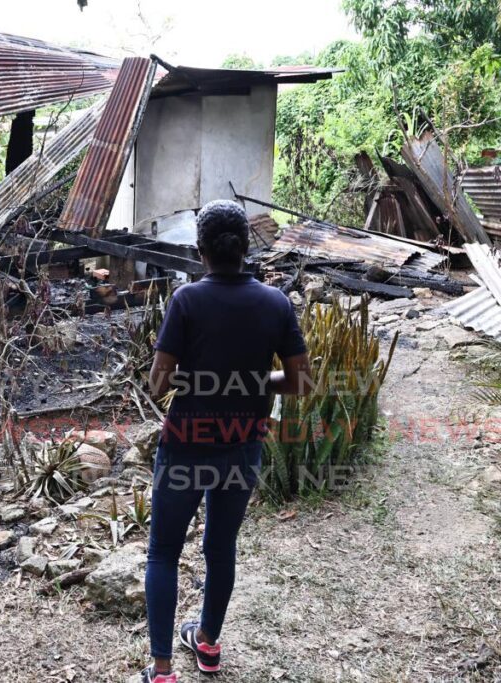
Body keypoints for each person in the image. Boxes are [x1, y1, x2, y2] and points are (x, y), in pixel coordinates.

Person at [140, 200, 312, 682]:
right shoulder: (276, 303)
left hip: (186, 445)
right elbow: (301, 381)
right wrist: (253, 380)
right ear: (246, 248)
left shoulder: (187, 300)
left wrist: (202, 379)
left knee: (163, 553)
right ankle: (208, 644)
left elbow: (158, 382)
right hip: (242, 445)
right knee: (221, 548)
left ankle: (161, 670)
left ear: (200, 251)